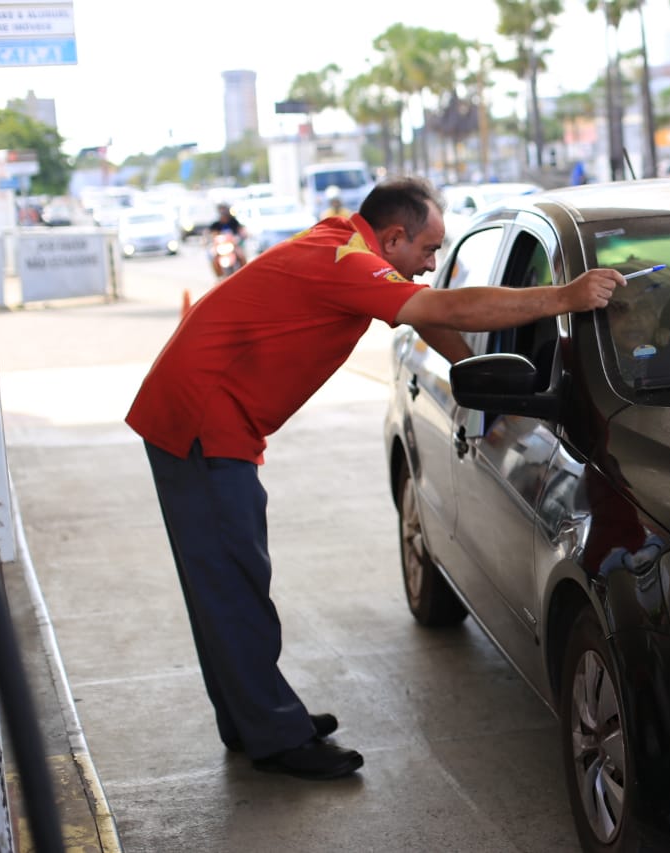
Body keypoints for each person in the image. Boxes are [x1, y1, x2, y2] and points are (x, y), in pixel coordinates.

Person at [125, 176, 622, 781]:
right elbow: (442, 306)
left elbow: (424, 315)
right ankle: (277, 737)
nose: (433, 265)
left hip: (202, 413)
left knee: (226, 580)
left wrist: (476, 364)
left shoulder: (343, 246)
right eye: (428, 251)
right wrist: (564, 296)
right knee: (235, 580)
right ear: (393, 238)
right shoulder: (347, 264)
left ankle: (252, 719)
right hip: (201, 421)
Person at [206, 202, 246, 277]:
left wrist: (241, 236)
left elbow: (241, 231)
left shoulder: (234, 222)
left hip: (232, 245)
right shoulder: (216, 224)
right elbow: (210, 234)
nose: (223, 215)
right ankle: (219, 275)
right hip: (220, 246)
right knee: (213, 258)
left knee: (241, 255)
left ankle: (245, 272)